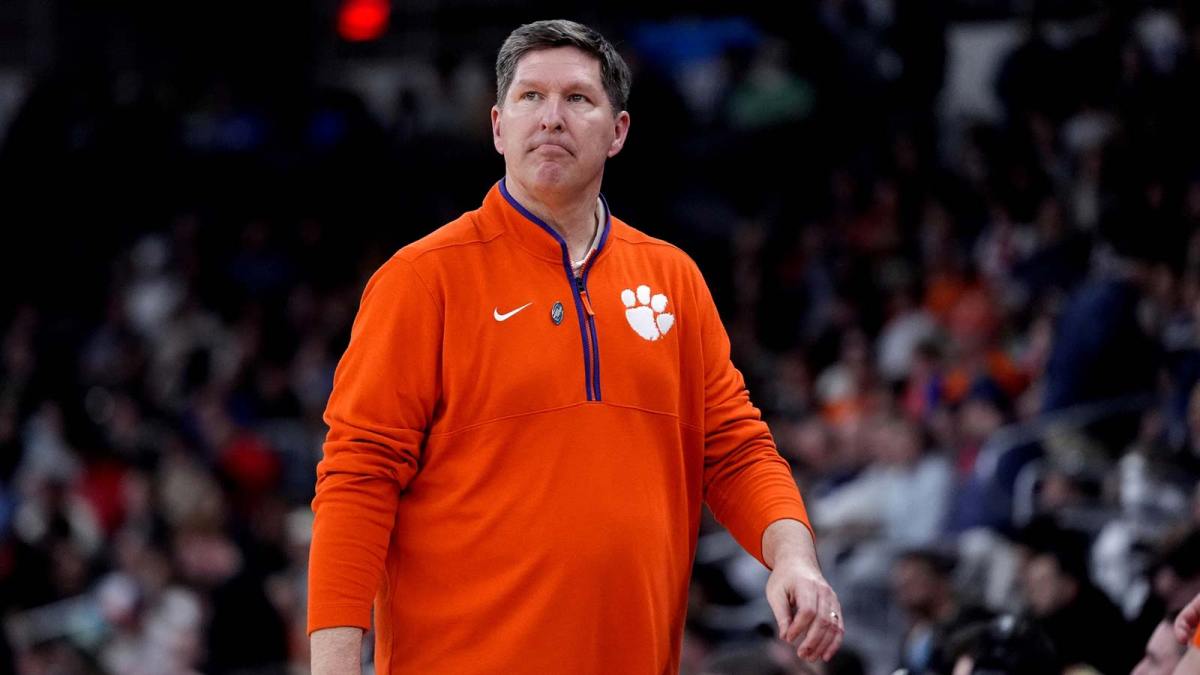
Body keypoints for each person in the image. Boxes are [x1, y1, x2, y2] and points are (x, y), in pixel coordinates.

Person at [306, 19, 842, 674]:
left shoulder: (673, 278)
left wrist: (793, 556)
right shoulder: (421, 280)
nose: (551, 117)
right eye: (531, 97)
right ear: (498, 126)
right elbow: (356, 482)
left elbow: (735, 449)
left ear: (618, 131)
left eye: (578, 98)